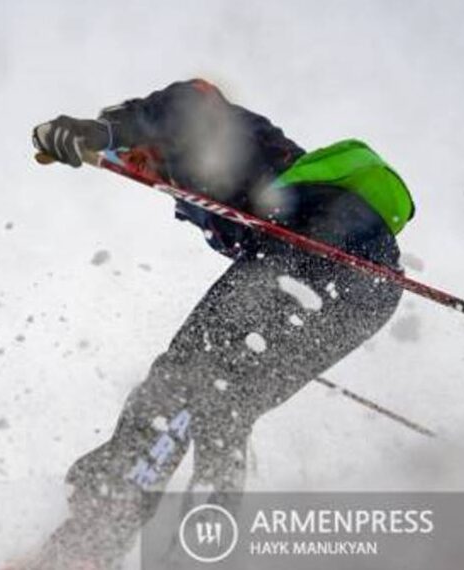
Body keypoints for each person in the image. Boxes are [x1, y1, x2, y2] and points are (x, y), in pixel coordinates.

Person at [25, 79, 415, 568]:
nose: (134, 163)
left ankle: (90, 541)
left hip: (321, 242)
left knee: (177, 382)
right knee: (225, 408)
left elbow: (183, 103)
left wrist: (100, 132)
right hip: (370, 293)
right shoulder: (206, 189)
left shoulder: (199, 124)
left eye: (134, 152)